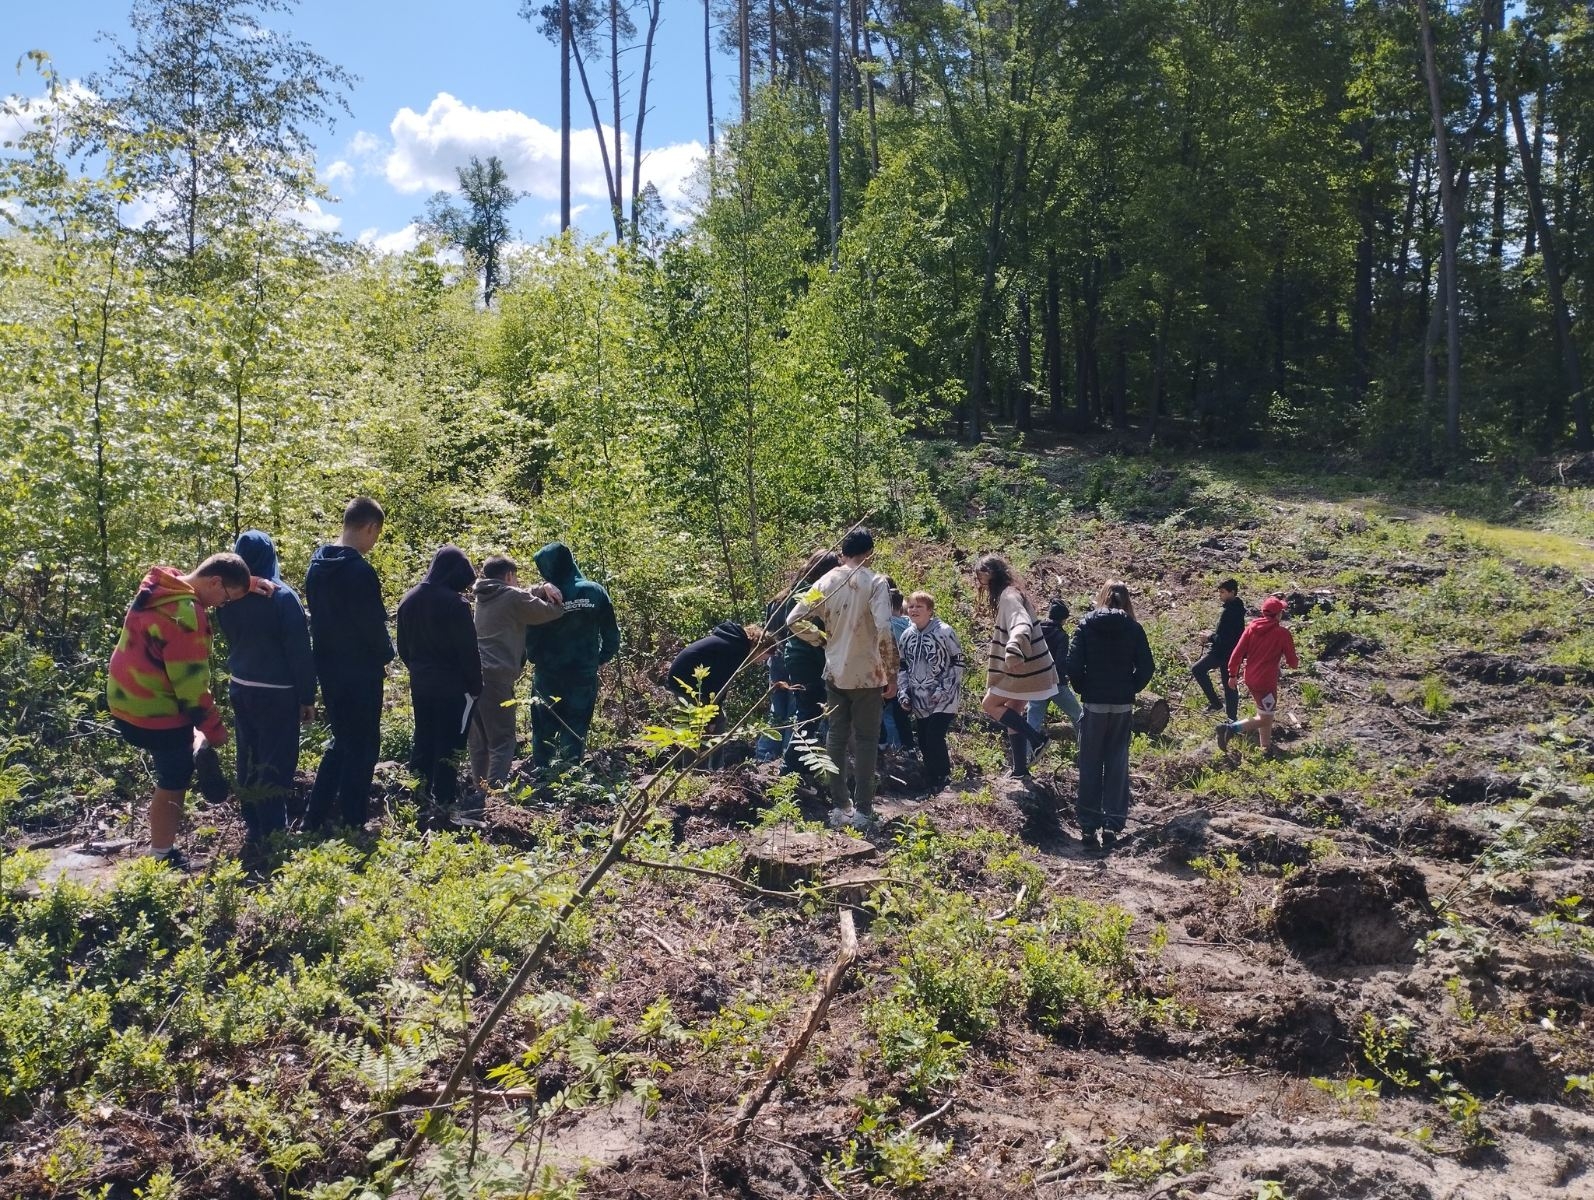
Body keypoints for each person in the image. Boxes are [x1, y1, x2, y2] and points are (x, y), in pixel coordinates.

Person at [107, 553, 254, 864]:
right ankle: (161, 854)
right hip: (152, 712)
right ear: (215, 582)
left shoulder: (162, 584)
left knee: (178, 759)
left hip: (123, 699)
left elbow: (218, 577)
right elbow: (192, 691)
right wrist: (216, 733)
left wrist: (247, 584)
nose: (222, 605)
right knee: (175, 776)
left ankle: (194, 742)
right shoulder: (186, 615)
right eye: (226, 598)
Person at [786, 529, 898, 829]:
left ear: (843, 552)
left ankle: (839, 805)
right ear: (869, 553)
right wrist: (891, 672)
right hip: (868, 674)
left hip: (835, 670)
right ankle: (863, 810)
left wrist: (822, 639)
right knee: (866, 741)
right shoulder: (875, 582)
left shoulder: (826, 580)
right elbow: (885, 629)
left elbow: (793, 619)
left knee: (835, 737)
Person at [216, 530, 316, 843]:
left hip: (240, 686)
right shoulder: (282, 597)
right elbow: (299, 651)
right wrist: (307, 697)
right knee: (276, 758)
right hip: (277, 691)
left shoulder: (227, 596)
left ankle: (252, 822)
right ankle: (273, 832)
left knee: (249, 753)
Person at [304, 497, 394, 832]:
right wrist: (386, 656)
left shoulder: (317, 565)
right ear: (370, 527)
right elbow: (371, 623)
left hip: (328, 667)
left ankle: (315, 816)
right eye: (376, 534)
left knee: (342, 739)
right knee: (365, 742)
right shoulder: (359, 571)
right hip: (360, 670)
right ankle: (354, 819)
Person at [1066, 581, 1156, 852]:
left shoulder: (1086, 624)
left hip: (1094, 704)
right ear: (1126, 600)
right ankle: (1112, 824)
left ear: (1102, 597)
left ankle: (1088, 825)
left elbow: (1072, 664)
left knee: (1090, 762)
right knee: (1117, 763)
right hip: (1121, 705)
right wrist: (1130, 689)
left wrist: (1084, 689)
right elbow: (1147, 667)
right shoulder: (1133, 627)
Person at [523, 541, 620, 774]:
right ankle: (570, 774)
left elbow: (531, 636)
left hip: (549, 675)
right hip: (583, 674)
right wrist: (598, 658)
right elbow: (611, 633)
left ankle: (543, 774)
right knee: (576, 725)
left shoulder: (545, 595)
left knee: (544, 726)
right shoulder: (594, 591)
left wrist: (535, 658)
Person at [396, 546, 482, 807]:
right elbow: (468, 650)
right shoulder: (455, 604)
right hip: (454, 687)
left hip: (421, 683)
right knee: (451, 742)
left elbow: (402, 647)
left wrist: (419, 669)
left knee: (423, 737)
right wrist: (476, 685)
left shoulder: (408, 600)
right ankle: (444, 799)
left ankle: (416, 797)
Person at [469, 556, 564, 787]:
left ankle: (478, 791)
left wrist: (540, 588)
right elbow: (550, 612)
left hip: (471, 674)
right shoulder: (512, 597)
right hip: (497, 677)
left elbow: (521, 594)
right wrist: (556, 598)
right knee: (503, 740)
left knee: (480, 742)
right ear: (509, 576)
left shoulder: (482, 596)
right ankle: (495, 791)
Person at [974, 555, 1056, 781]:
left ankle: (1037, 740)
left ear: (988, 574)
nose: (978, 581)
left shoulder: (1009, 596)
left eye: (979, 575)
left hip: (1021, 666)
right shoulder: (1011, 593)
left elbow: (1021, 623)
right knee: (1014, 709)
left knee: (990, 704)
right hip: (1032, 667)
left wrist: (1013, 648)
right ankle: (1020, 769)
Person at [773, 550, 841, 783]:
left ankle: (801, 766)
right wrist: (823, 639)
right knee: (808, 713)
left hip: (794, 657)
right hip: (806, 658)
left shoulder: (796, 589)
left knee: (807, 712)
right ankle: (789, 769)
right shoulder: (812, 592)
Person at [895, 591, 966, 792]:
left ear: (930, 610)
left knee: (935, 735)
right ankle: (932, 778)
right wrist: (903, 691)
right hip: (919, 696)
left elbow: (958, 661)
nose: (914, 610)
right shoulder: (907, 636)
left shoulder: (945, 631)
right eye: (911, 606)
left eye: (919, 606)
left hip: (945, 696)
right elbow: (902, 665)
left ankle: (943, 777)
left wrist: (944, 688)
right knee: (924, 738)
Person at [1218, 595, 1299, 754]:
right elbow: (1293, 662)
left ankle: (1266, 746)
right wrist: (1293, 662)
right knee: (1266, 718)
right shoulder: (1282, 633)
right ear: (1278, 615)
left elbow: (1237, 653)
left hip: (1250, 678)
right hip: (1266, 682)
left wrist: (1232, 675)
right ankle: (1230, 729)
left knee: (1264, 712)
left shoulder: (1251, 628)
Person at [1027, 599, 1084, 738]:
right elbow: (1060, 662)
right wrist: (1066, 678)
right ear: (1063, 619)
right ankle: (1086, 751)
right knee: (1079, 716)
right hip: (1056, 683)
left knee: (1032, 722)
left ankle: (1025, 755)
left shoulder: (1036, 630)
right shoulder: (1061, 636)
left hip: (1037, 682)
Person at [1192, 579, 1245, 719]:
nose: (1220, 595)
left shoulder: (1231, 611)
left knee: (1198, 669)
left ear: (1232, 592)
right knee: (1229, 686)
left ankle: (1218, 706)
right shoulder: (1234, 607)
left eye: (1223, 592)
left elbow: (1226, 640)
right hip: (1228, 652)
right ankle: (1231, 719)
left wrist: (1210, 637)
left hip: (1225, 653)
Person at [880, 583, 915, 751]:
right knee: (901, 714)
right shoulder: (911, 626)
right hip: (909, 673)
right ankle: (908, 748)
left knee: (885, 713)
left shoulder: (886, 625)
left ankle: (888, 747)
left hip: (889, 672)